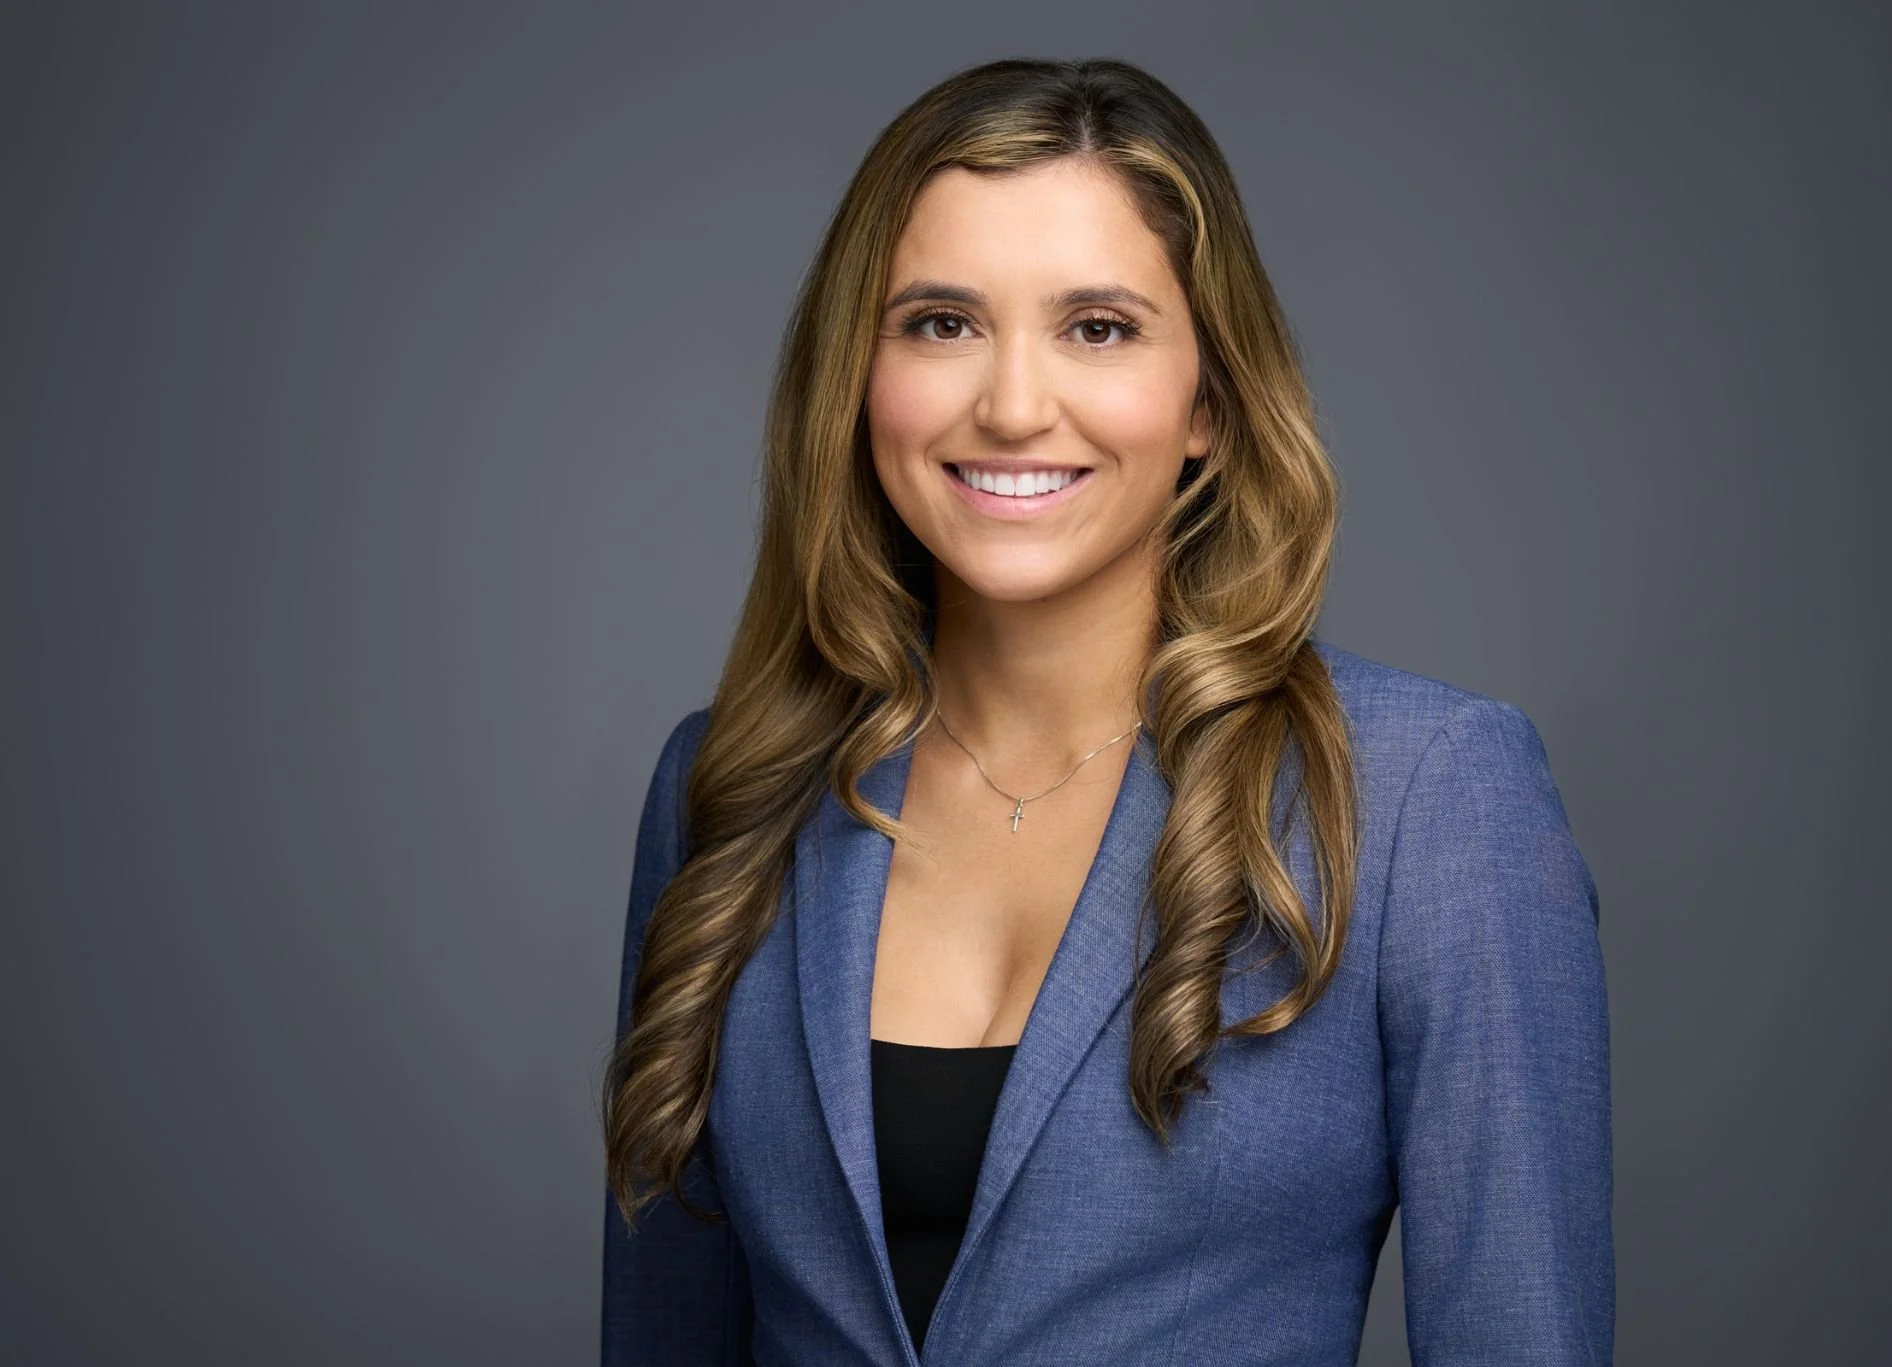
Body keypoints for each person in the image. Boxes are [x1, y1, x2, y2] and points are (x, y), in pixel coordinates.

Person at [600, 56, 1612, 1367]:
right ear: (856, 375)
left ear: (1208, 403)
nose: (1014, 407)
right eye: (942, 323)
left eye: (1098, 328)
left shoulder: (1432, 799)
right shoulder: (731, 789)